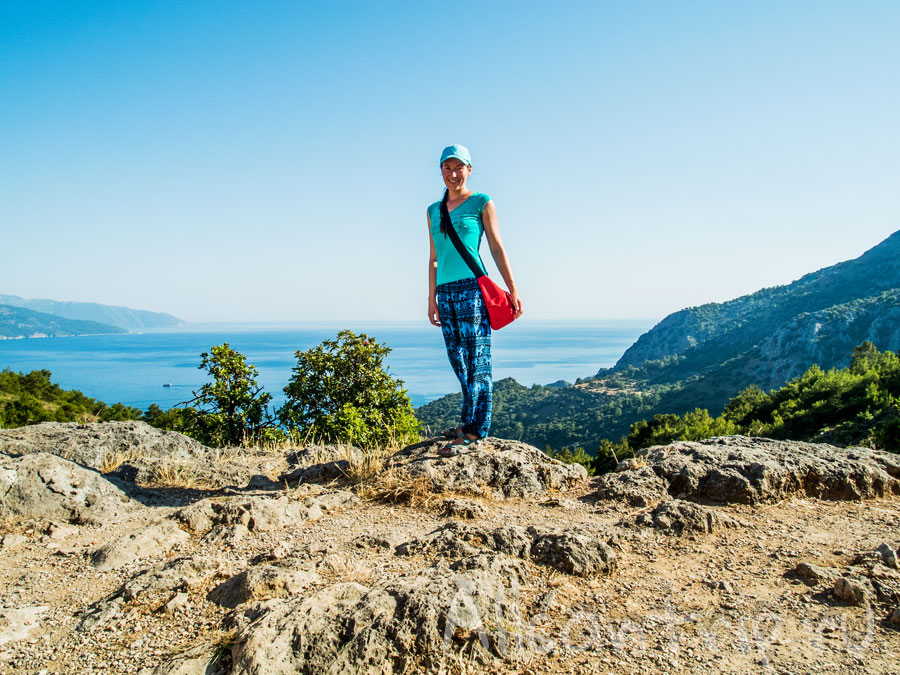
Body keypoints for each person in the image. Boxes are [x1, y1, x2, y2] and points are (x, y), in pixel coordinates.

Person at [427, 144, 523, 455]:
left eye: (459, 168)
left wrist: (512, 288)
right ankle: (467, 422)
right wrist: (432, 298)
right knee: (458, 360)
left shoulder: (482, 202)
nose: (453, 174)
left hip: (471, 289)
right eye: (447, 168)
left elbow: (496, 247)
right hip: (446, 292)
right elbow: (433, 259)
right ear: (441, 170)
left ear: (469, 170)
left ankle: (476, 431)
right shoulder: (432, 211)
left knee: (477, 359)